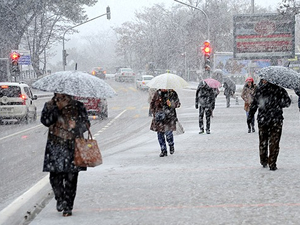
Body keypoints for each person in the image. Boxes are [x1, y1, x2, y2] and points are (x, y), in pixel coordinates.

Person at [41, 93, 90, 217]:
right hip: (55, 146)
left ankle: (68, 206)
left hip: (73, 146)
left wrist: (75, 126)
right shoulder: (49, 106)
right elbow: (46, 121)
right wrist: (57, 109)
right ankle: (60, 198)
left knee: (71, 178)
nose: (61, 95)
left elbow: (86, 124)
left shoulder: (78, 106)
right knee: (54, 177)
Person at [248, 79, 291, 171]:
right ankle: (272, 162)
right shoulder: (280, 90)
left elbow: (254, 104)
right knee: (274, 142)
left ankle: (263, 160)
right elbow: (287, 103)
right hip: (276, 119)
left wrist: (250, 115)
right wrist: (278, 103)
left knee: (263, 140)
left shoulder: (260, 89)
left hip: (263, 119)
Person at [150, 89, 181, 157]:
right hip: (159, 118)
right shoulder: (157, 93)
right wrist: (154, 112)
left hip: (169, 118)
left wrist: (171, 104)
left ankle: (171, 145)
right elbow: (152, 103)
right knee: (160, 134)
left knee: (168, 133)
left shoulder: (172, 93)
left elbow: (178, 104)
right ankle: (163, 150)